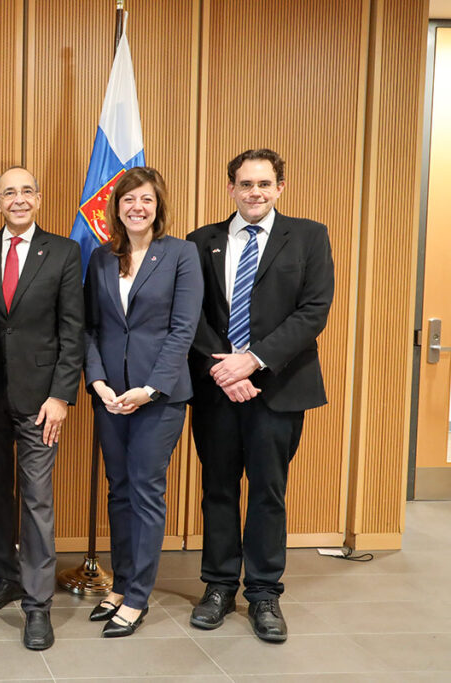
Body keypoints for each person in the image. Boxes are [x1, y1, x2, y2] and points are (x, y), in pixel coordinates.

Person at [186, 149, 334, 643]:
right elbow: (193, 317)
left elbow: (313, 312)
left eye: (264, 184)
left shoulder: (308, 236)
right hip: (216, 389)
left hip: (280, 388)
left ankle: (265, 593)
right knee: (219, 489)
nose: (255, 193)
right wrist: (226, 369)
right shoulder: (200, 241)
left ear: (280, 188)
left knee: (268, 492)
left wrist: (252, 361)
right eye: (245, 184)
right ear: (230, 188)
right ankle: (219, 586)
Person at [83, 166, 203, 637]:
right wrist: (98, 383)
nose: (136, 207)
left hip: (159, 397)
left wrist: (150, 388)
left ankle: (137, 596)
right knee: (119, 490)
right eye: (128, 199)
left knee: (146, 491)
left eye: (146, 200)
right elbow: (91, 328)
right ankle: (121, 582)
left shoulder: (181, 254)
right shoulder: (99, 258)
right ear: (115, 207)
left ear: (158, 206)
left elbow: (182, 330)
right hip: (110, 396)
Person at [0, 166, 83, 650]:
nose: (18, 199)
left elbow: (73, 330)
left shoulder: (64, 251)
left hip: (41, 401)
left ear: (39, 198)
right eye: (8, 193)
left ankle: (38, 606)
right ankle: (7, 576)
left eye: (26, 191)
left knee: (36, 499)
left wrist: (61, 395)